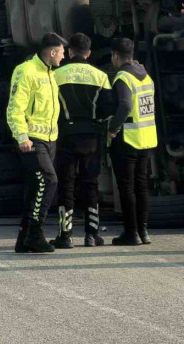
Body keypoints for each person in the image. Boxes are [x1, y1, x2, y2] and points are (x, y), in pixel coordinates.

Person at [51, 33, 113, 248]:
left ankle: (65, 236)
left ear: (69, 52)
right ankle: (91, 235)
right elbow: (109, 108)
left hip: (65, 135)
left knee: (66, 185)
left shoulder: (56, 75)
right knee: (90, 184)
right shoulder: (100, 76)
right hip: (92, 137)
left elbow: (50, 106)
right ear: (88, 52)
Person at [7, 32, 66, 253]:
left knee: (35, 186)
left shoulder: (51, 73)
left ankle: (23, 239)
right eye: (61, 53)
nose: (63, 57)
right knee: (49, 181)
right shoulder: (26, 71)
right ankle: (35, 233)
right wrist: (22, 136)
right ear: (52, 52)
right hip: (32, 140)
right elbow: (15, 107)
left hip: (50, 139)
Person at [108, 38, 158, 246]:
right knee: (142, 186)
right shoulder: (146, 77)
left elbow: (125, 105)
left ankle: (131, 233)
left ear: (116, 55)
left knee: (126, 188)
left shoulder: (123, 77)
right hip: (146, 138)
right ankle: (143, 231)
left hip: (128, 138)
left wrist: (113, 129)